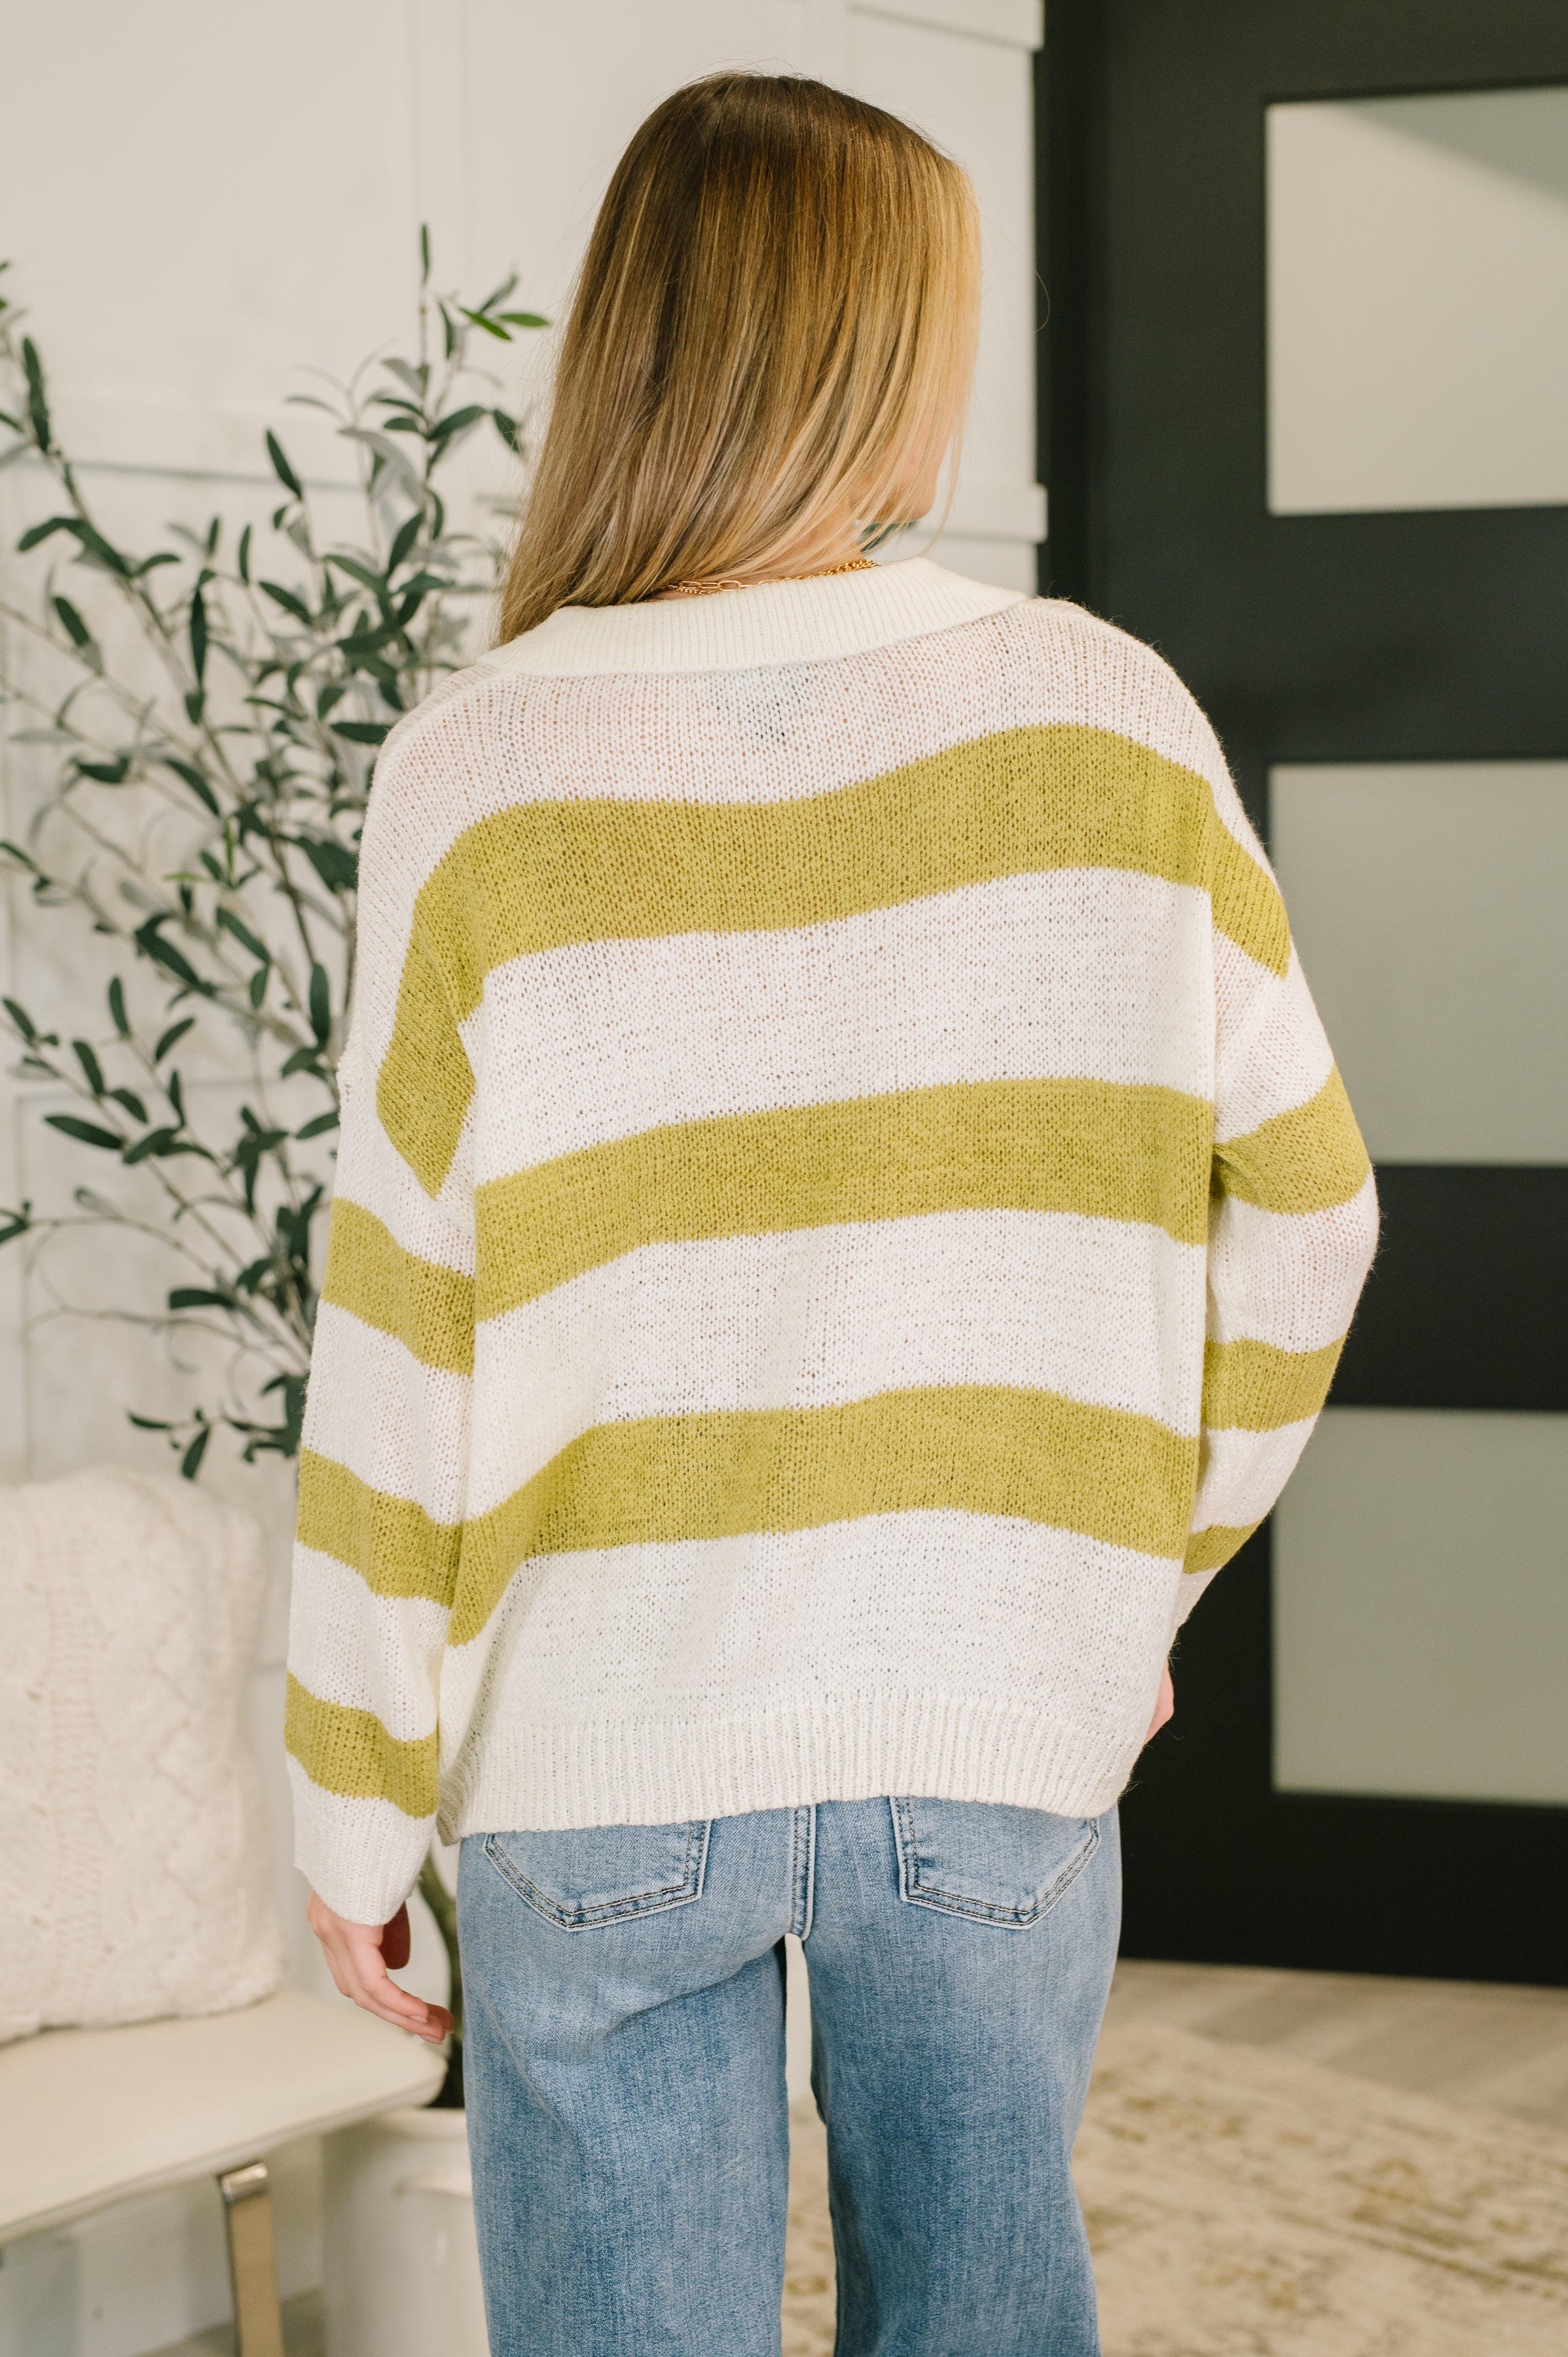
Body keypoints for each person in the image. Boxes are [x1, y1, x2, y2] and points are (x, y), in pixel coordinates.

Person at [290, 70, 1377, 2356]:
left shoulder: (477, 767)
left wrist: (350, 1807)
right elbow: (1309, 1216)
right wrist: (1129, 1574)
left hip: (597, 1756)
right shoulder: (1105, 716)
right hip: (989, 1720)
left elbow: (403, 1330)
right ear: (891, 352)